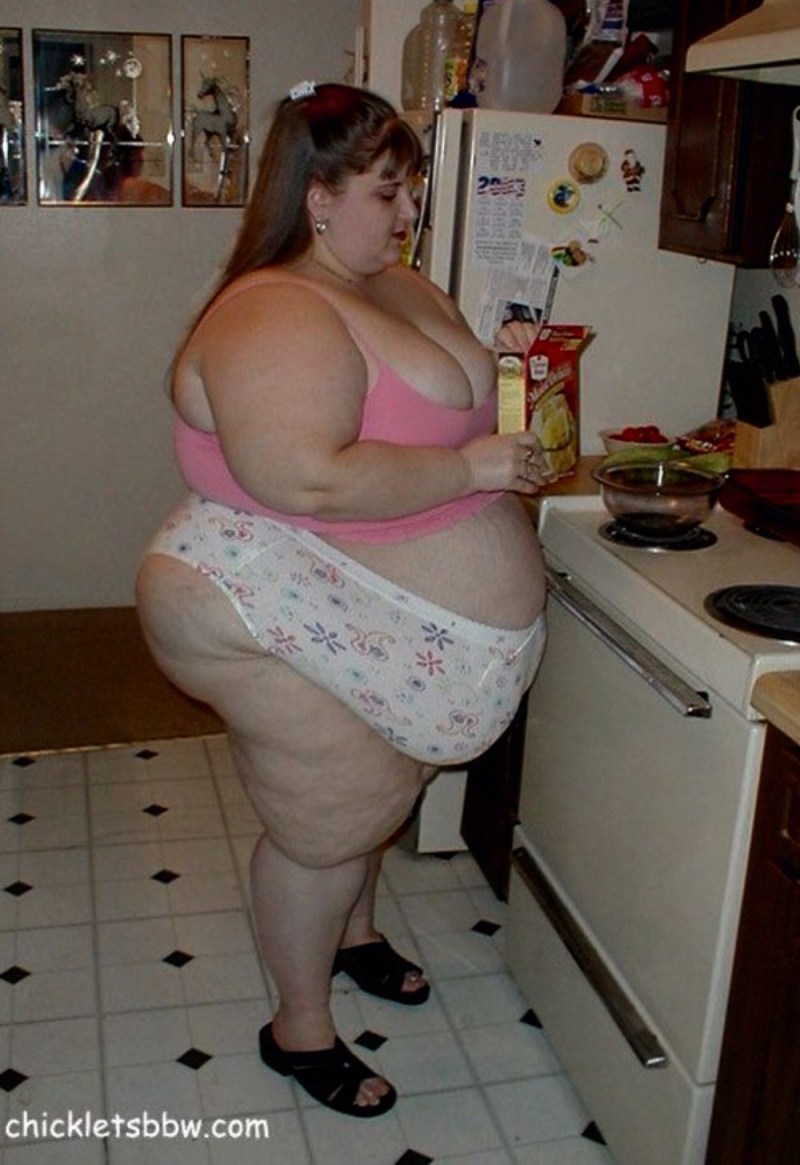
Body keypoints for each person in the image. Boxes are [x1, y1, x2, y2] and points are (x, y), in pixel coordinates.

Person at [135, 81, 552, 1119]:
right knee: (332, 817)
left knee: (386, 778)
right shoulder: (275, 309)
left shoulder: (391, 283)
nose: (409, 212)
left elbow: (437, 414)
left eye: (413, 188)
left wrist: (510, 399)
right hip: (268, 609)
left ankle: (354, 934)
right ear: (317, 198)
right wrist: (473, 471)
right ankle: (299, 1026)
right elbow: (306, 478)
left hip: (371, 610)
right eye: (386, 192)